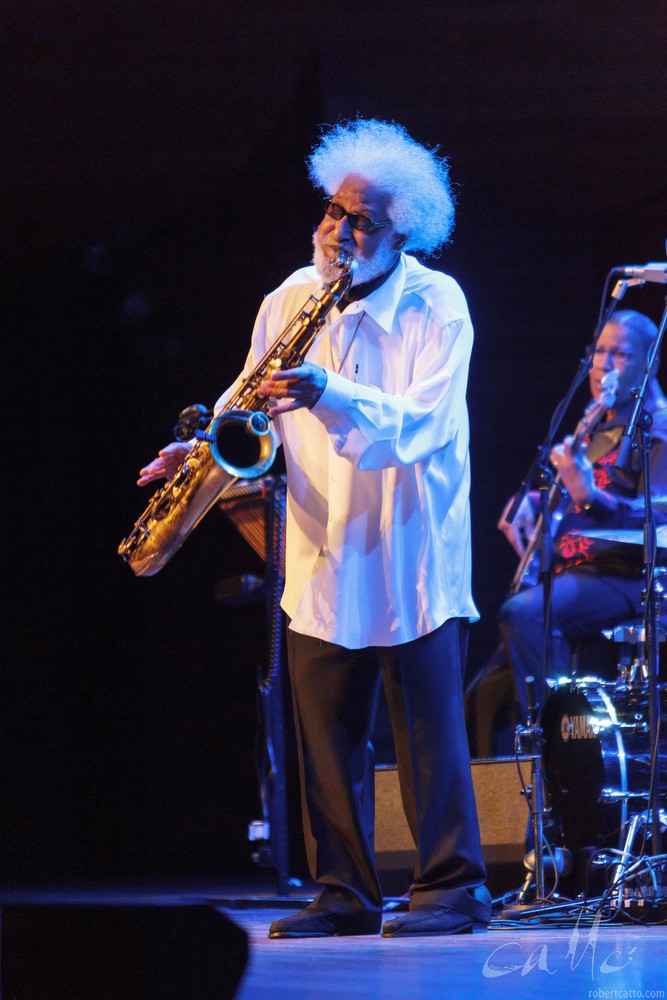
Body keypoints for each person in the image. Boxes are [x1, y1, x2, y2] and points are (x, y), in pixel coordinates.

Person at [138, 118, 490, 937]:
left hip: (409, 546)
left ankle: (451, 890)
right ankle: (343, 893)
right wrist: (194, 451)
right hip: (322, 542)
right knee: (327, 738)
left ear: (403, 233)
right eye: (334, 212)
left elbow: (420, 424)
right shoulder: (288, 298)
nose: (339, 231)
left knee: (426, 734)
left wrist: (329, 389)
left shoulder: (438, 304)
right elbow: (243, 405)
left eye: (361, 220)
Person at [498, 309, 667, 721]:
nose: (603, 365)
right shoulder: (597, 423)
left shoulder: (657, 426)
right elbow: (573, 491)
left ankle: (564, 737)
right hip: (578, 574)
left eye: (620, 354)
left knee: (526, 614)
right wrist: (535, 501)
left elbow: (658, 520)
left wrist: (588, 495)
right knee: (483, 696)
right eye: (599, 351)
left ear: (650, 364)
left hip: (630, 577)